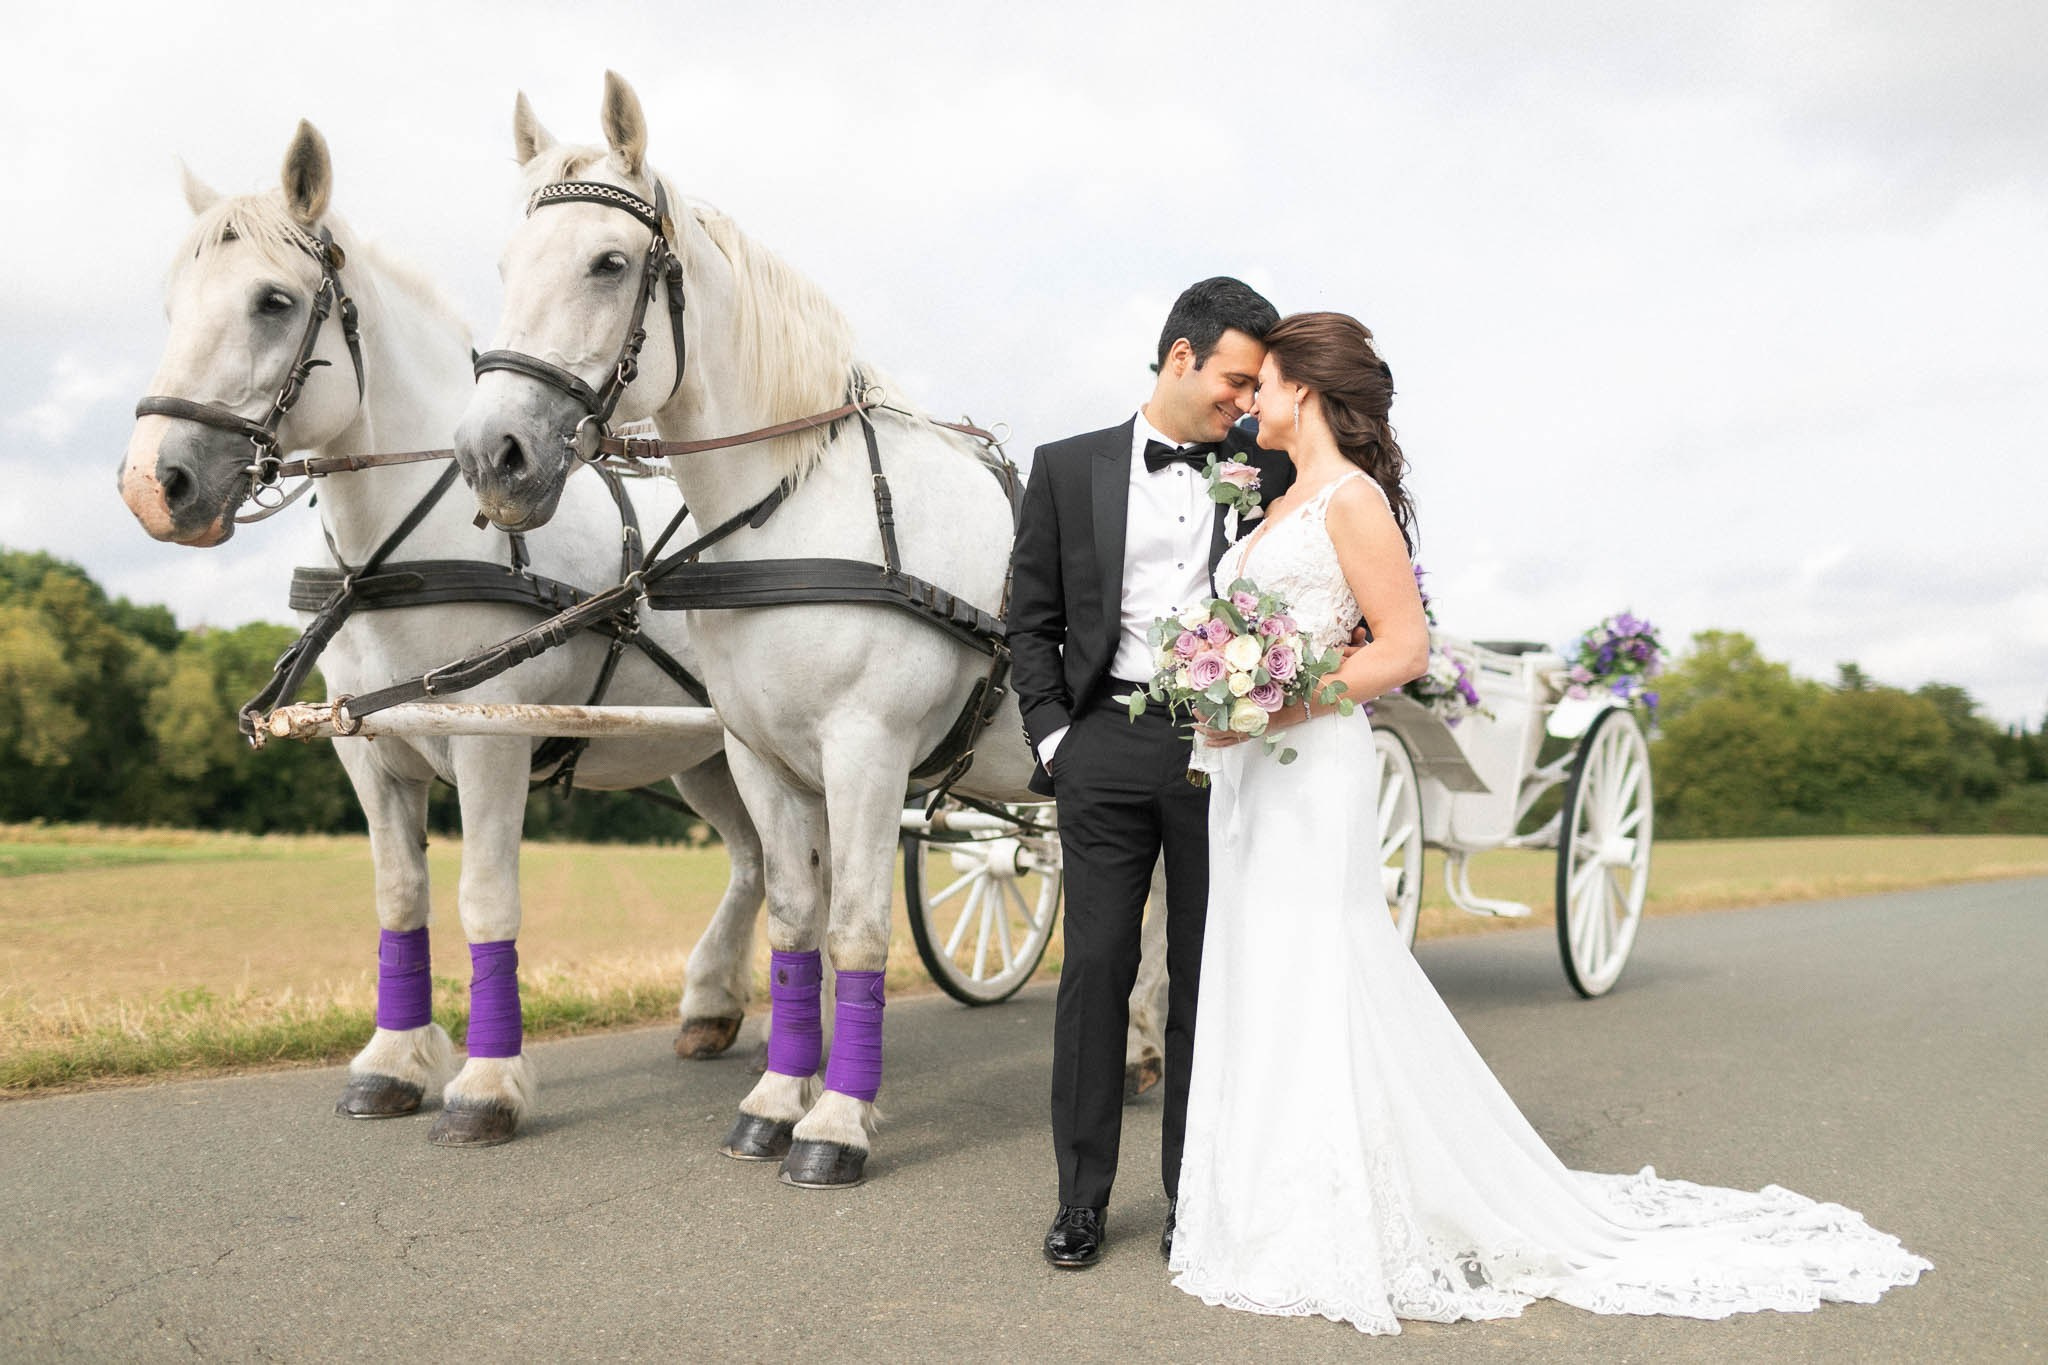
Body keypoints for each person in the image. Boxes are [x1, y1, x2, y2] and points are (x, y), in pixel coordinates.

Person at [1167, 311, 1932, 1332]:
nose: (1247, 400)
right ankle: (1255, 1205)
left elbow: (1400, 648)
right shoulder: (1274, 505)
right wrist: (1218, 696)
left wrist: (1276, 701)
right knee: (1256, 961)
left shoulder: (1349, 502)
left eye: (1261, 383)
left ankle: (1334, 1209)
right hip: (1252, 776)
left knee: (1317, 960)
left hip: (1312, 765)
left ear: (1301, 389)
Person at [1006, 277, 1295, 1268]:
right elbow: (1029, 621)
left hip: (1225, 749)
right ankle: (1080, 1199)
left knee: (1203, 980)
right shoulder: (1063, 467)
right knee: (1093, 972)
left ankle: (1194, 1197)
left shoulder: (1267, 467)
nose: (1244, 402)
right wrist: (1054, 740)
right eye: (1234, 379)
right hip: (1105, 747)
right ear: (1181, 357)